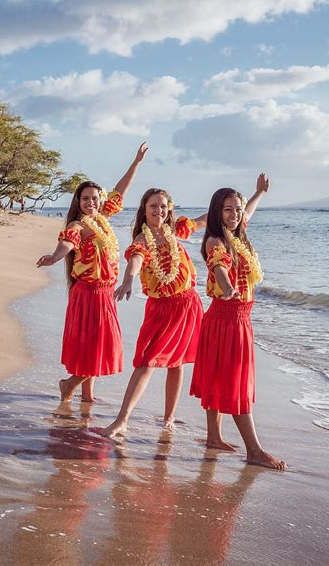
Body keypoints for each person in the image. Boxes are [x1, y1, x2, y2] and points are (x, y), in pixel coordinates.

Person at [36, 143, 148, 403]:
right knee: (100, 347)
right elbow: (68, 243)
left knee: (94, 347)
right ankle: (70, 384)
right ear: (79, 201)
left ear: (100, 200)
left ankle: (87, 394)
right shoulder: (78, 225)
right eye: (85, 198)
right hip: (88, 293)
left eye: (95, 198)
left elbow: (120, 190)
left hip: (105, 293)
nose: (90, 202)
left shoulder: (104, 217)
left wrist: (136, 162)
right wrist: (54, 257)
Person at [190, 174, 286, 470]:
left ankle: (213, 437)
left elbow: (250, 211)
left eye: (237, 209)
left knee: (220, 378)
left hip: (239, 319)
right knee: (235, 384)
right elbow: (218, 265)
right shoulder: (216, 241)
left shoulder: (239, 232)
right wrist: (228, 287)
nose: (235, 215)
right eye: (228, 210)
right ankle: (254, 450)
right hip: (226, 318)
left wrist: (258, 194)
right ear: (217, 212)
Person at [101, 188, 207, 437]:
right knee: (146, 362)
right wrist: (128, 280)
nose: (159, 211)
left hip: (188, 304)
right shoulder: (142, 240)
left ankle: (169, 417)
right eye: (153, 206)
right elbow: (135, 260)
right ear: (144, 210)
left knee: (177, 363)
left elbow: (205, 220)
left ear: (169, 209)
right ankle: (122, 419)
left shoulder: (176, 230)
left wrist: (236, 205)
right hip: (161, 309)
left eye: (163, 206)